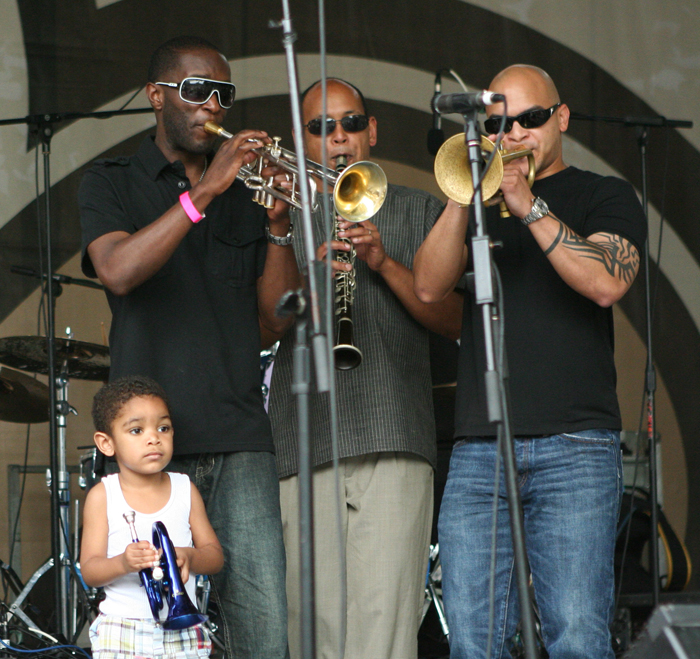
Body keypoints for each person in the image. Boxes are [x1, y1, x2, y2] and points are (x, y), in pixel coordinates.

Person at [413, 64, 647, 659]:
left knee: (576, 634)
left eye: (531, 119)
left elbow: (604, 283)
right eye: (499, 123)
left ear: (561, 118)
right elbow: (428, 288)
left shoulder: (605, 195)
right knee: (471, 639)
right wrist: (466, 195)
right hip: (478, 449)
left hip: (576, 447)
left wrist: (529, 204)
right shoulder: (477, 202)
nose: (514, 134)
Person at [79, 36, 300, 658]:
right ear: (157, 97)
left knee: (263, 625)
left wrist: (279, 227)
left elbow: (271, 324)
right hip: (145, 442)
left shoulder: (246, 197)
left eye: (223, 93)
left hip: (238, 434)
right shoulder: (112, 181)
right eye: (199, 90)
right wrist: (202, 194)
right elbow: (119, 270)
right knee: (150, 626)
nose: (213, 105)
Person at [268, 78, 464, 659]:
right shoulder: (279, 215)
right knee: (312, 633)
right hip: (302, 442)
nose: (338, 138)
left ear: (372, 131)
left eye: (351, 123)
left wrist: (381, 261)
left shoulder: (420, 208)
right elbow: (260, 324)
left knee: (387, 633)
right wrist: (294, 259)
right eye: (320, 128)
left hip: (395, 434)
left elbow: (455, 321)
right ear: (302, 143)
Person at [81, 375, 224, 659]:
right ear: (106, 443)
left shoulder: (185, 488)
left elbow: (215, 557)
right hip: (121, 630)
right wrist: (124, 562)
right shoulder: (103, 495)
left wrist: (188, 556)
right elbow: (90, 571)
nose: (153, 437)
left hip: (183, 630)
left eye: (163, 427)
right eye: (136, 430)